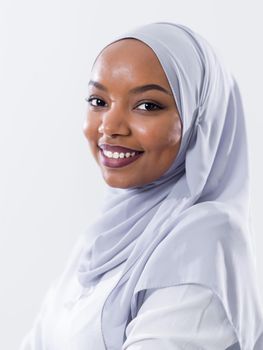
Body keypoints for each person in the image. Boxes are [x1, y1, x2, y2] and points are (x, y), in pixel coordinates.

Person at [19, 21, 263, 350]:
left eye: (147, 106)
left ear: (199, 121)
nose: (110, 126)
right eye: (98, 101)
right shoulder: (105, 234)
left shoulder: (205, 240)